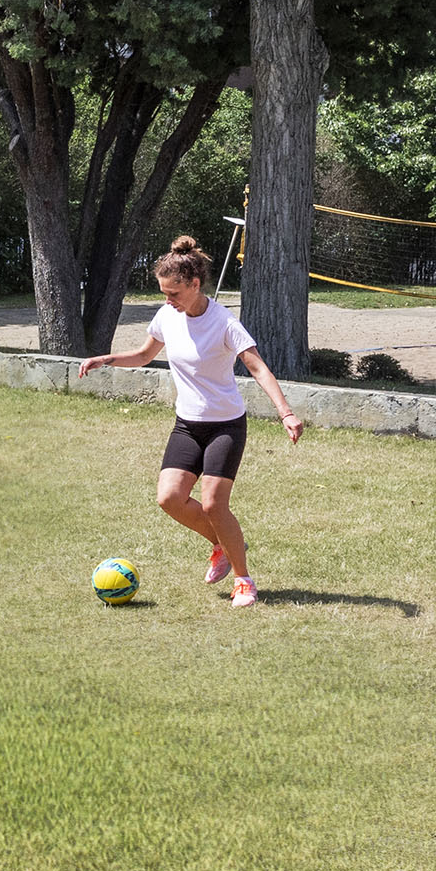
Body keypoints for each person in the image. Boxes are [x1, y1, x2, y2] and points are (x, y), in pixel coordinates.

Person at [77, 233, 307, 606]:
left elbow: (258, 368)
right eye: (164, 293)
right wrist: (106, 359)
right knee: (169, 498)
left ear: (195, 284)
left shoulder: (224, 323)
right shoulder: (167, 316)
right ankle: (222, 543)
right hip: (187, 424)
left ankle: (244, 580)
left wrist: (286, 413)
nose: (168, 300)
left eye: (174, 293)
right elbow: (143, 355)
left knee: (214, 504)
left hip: (225, 426)